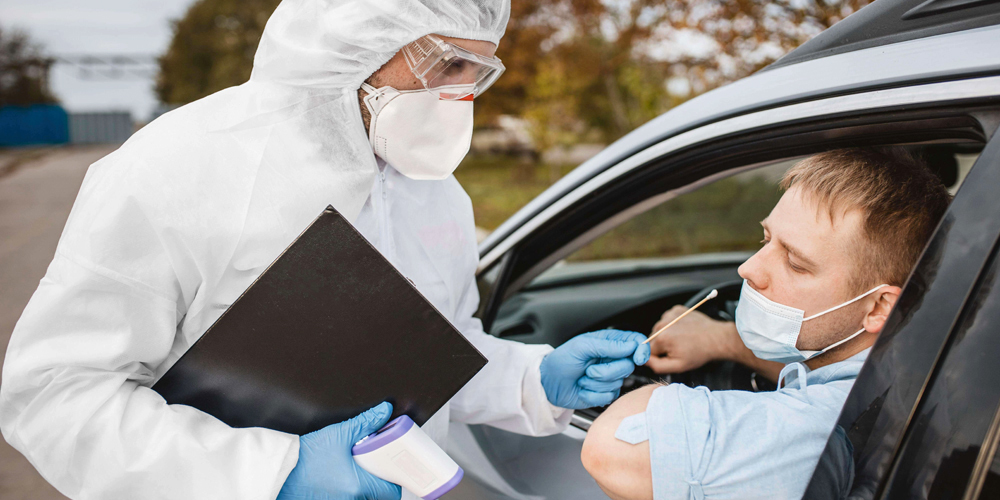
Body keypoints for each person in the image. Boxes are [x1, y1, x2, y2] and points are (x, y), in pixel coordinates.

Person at [0, 1, 649, 499]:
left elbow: (428, 349)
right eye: (446, 64)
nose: (462, 94)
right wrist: (276, 474)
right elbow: (55, 395)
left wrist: (531, 379)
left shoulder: (436, 194)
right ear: (357, 32)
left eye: (476, 72)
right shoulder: (176, 169)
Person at [580, 147, 952, 500]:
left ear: (878, 307)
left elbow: (613, 447)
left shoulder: (823, 430)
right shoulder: (919, 374)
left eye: (795, 262)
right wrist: (722, 341)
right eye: (766, 238)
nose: (749, 269)